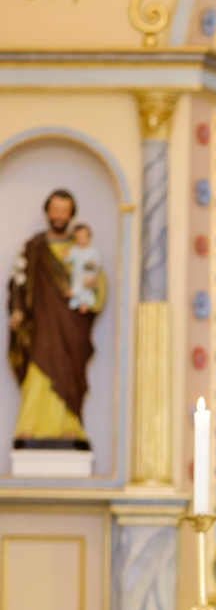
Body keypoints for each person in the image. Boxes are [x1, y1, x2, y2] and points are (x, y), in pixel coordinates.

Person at [8, 189, 106, 450]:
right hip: (41, 322)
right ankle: (29, 427)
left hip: (71, 325)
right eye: (55, 210)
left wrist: (93, 287)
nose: (59, 215)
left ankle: (69, 427)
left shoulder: (81, 248)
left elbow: (97, 281)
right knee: (39, 367)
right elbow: (18, 281)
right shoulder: (34, 247)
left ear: (71, 214)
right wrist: (17, 311)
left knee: (67, 374)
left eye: (65, 210)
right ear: (47, 212)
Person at [66, 223, 102, 313]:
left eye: (83, 236)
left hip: (89, 273)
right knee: (80, 285)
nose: (81, 239)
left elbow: (98, 263)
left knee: (85, 287)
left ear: (89, 237)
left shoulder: (93, 250)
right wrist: (65, 255)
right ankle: (82, 304)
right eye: (79, 237)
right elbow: (68, 259)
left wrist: (93, 263)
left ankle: (76, 293)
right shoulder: (74, 249)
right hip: (77, 273)